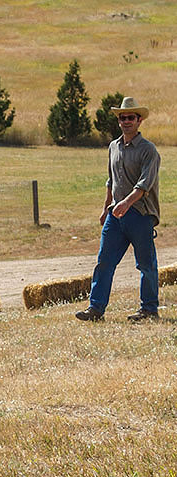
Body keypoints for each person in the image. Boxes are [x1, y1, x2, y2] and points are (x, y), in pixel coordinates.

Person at [76, 97, 161, 323]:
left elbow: (145, 184)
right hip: (115, 214)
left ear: (139, 120)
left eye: (130, 117)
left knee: (145, 264)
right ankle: (95, 309)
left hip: (140, 214)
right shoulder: (113, 146)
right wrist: (107, 208)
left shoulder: (148, 150)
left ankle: (149, 309)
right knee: (104, 261)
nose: (126, 121)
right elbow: (110, 181)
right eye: (122, 118)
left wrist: (126, 203)